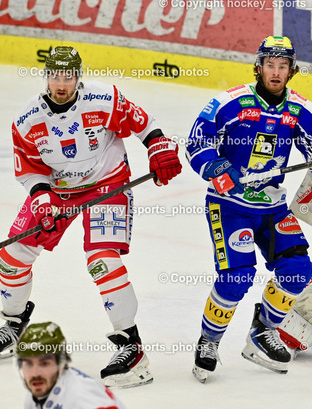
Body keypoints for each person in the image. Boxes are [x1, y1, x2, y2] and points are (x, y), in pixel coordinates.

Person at [0, 46, 182, 387]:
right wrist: (42, 198)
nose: (61, 84)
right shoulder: (27, 120)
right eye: (55, 76)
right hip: (58, 190)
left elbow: (143, 122)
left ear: (78, 77)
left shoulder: (103, 99)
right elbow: (29, 168)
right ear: (46, 77)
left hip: (107, 184)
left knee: (102, 259)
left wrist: (158, 146)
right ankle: (13, 323)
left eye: (68, 76)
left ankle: (131, 346)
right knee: (12, 255)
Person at [186, 35, 312, 382]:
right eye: (270, 65)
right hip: (229, 205)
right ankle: (209, 341)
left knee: (297, 271)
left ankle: (262, 330)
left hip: (272, 207)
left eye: (282, 66)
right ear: (259, 67)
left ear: (291, 70)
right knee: (236, 278)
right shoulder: (230, 103)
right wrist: (217, 168)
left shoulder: (300, 110)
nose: (276, 72)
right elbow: (197, 143)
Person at [17, 321, 126, 408]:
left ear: (61, 362)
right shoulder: (37, 392)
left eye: (44, 363)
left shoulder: (82, 399)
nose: (35, 373)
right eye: (28, 364)